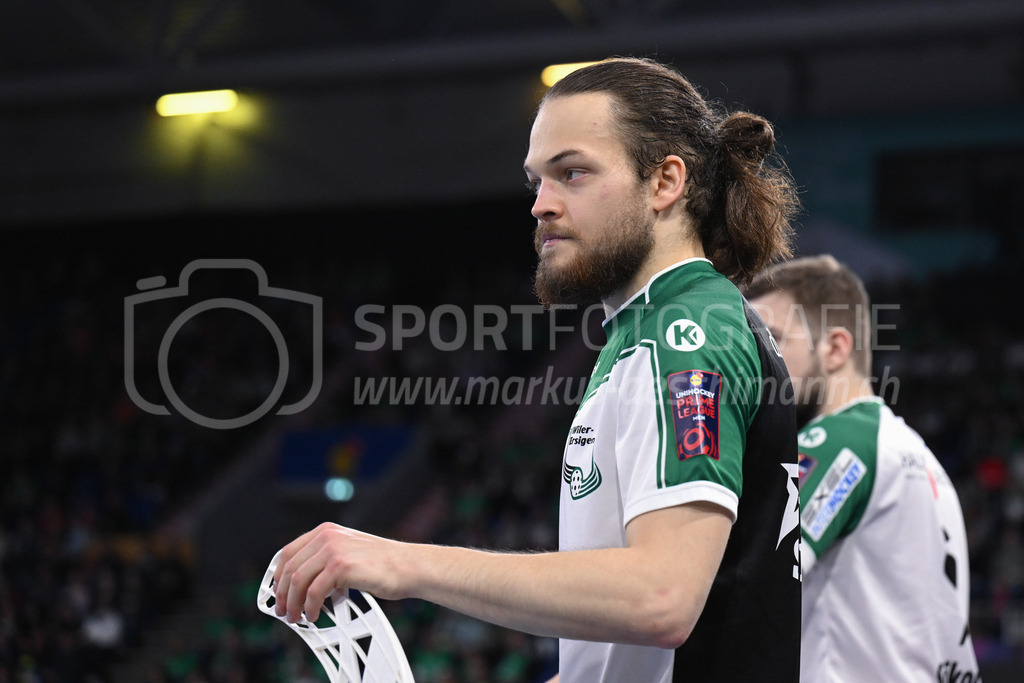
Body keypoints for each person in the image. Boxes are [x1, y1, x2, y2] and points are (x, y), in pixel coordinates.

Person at [272, 57, 802, 682]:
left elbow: (662, 597)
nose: (541, 206)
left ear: (665, 182)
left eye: (572, 173)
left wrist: (401, 563)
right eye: (536, 183)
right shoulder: (651, 329)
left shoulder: (682, 337)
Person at [745, 255, 982, 682]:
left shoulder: (838, 440)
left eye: (773, 342)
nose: (758, 365)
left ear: (835, 348)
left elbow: (755, 580)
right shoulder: (917, 454)